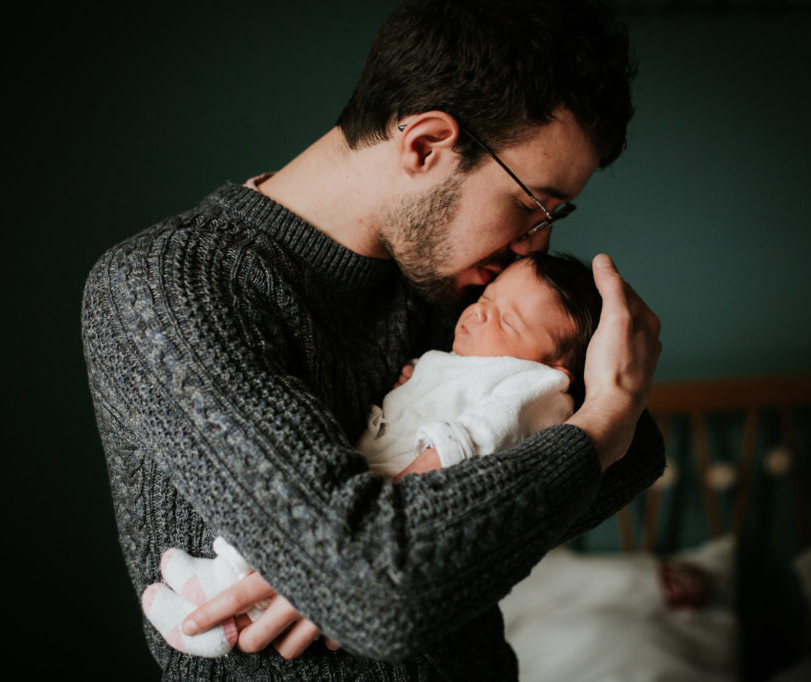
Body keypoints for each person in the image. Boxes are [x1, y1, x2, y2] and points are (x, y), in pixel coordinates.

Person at [81, 0, 664, 679]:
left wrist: (370, 556)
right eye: (531, 204)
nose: (536, 243)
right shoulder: (165, 285)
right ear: (424, 145)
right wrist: (593, 436)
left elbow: (636, 448)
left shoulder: (446, 284)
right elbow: (378, 591)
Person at [139, 253, 603, 658]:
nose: (479, 315)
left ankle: (216, 607)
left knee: (296, 543)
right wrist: (415, 382)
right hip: (365, 471)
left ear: (554, 367)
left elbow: (484, 434)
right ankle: (217, 598)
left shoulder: (539, 385)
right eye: (487, 299)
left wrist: (402, 486)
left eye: (507, 321)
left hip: (401, 489)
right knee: (281, 515)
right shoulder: (465, 358)